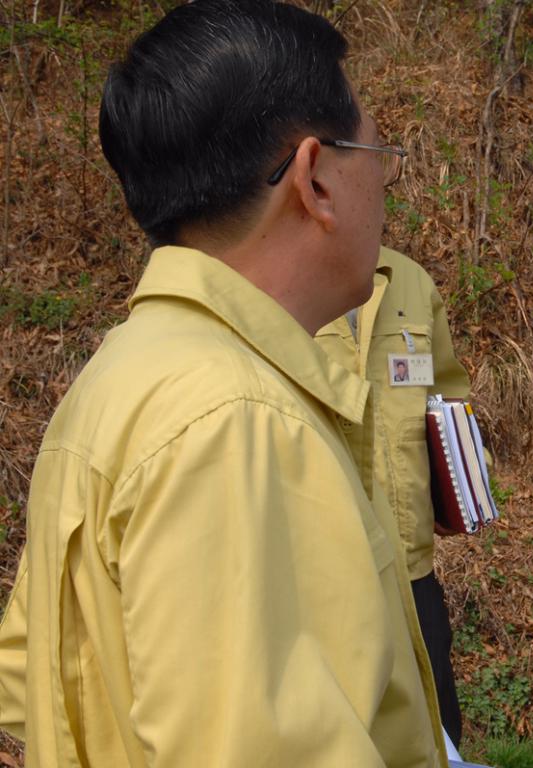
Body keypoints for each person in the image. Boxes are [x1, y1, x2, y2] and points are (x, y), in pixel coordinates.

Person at [0, 1, 447, 765]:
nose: (388, 181)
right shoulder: (235, 423)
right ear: (316, 180)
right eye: (378, 153)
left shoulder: (127, 370)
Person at [317, 245, 471, 747]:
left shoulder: (410, 281)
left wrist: (460, 482)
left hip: (413, 573)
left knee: (436, 734)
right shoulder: (277, 278)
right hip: (324, 578)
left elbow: (445, 395)